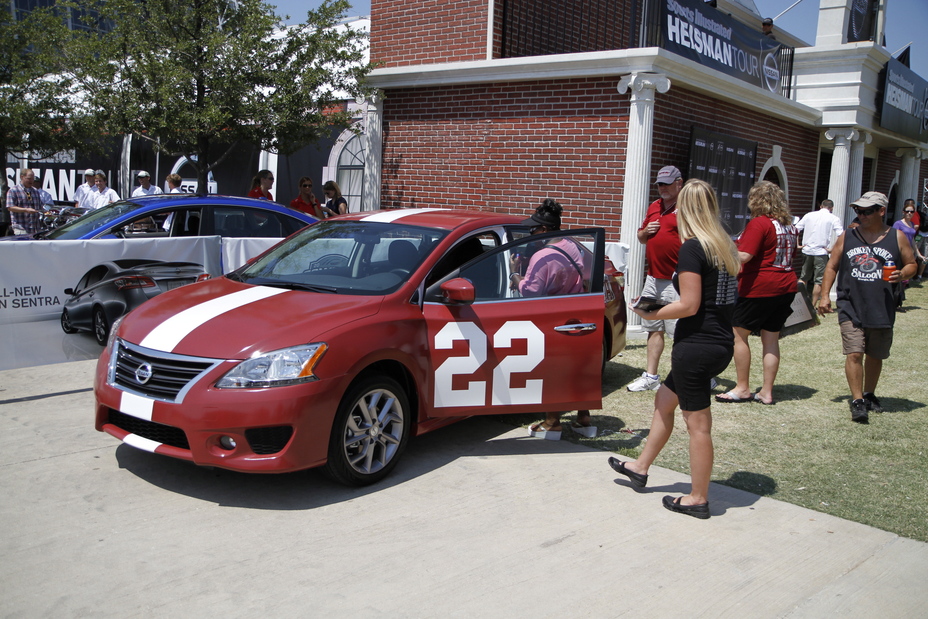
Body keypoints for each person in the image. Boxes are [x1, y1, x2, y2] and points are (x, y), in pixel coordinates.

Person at [608, 179, 740, 519]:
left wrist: (647, 312)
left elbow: (689, 305)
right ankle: (640, 467)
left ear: (687, 209)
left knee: (698, 426)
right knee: (664, 401)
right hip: (719, 341)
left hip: (697, 344)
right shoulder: (724, 244)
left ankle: (698, 499)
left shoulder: (694, 248)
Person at [818, 191, 916, 423]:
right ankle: (857, 400)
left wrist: (902, 273)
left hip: (882, 306)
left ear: (881, 211)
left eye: (866, 211)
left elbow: (912, 263)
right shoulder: (848, 236)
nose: (860, 215)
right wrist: (824, 296)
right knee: (854, 352)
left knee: (875, 354)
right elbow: (832, 266)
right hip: (850, 303)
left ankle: (869, 394)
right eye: (858, 211)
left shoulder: (897, 236)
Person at [510, 199, 591, 438]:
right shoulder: (572, 245)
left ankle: (552, 422)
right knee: (576, 369)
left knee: (552, 371)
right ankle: (584, 418)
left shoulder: (542, 256)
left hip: (551, 316)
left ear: (544, 230)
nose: (530, 232)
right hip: (575, 313)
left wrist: (515, 272)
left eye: (533, 229)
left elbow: (529, 291)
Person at [716, 181, 797, 406]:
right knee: (770, 338)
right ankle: (767, 392)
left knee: (738, 334)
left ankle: (742, 387)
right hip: (786, 285)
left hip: (760, 287)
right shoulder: (789, 225)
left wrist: (719, 251)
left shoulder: (759, 223)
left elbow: (744, 256)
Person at [626, 165, 684, 392]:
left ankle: (684, 376)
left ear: (679, 182)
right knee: (653, 327)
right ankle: (651, 376)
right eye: (659, 184)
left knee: (679, 332)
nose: (662, 188)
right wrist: (645, 232)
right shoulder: (654, 206)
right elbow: (641, 238)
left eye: (667, 183)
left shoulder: (687, 207)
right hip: (653, 278)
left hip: (677, 280)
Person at [796, 199, 843, 305]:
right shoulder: (833, 218)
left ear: (821, 206)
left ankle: (799, 304)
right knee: (819, 281)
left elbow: (796, 229)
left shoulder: (809, 215)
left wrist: (798, 245)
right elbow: (841, 234)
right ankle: (812, 305)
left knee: (803, 278)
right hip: (821, 252)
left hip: (807, 249)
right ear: (831, 208)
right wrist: (832, 248)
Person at [5, 168, 44, 235]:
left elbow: (40, 207)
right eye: (29, 178)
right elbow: (10, 207)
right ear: (22, 177)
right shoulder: (13, 190)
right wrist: (26, 210)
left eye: (32, 179)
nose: (31, 181)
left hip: (35, 228)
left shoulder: (35, 191)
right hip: (21, 228)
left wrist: (45, 212)